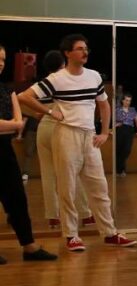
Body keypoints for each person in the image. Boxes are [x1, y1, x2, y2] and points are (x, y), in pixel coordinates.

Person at [19, 34, 137, 252]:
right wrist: (50, 112)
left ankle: (110, 232)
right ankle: (71, 235)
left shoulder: (93, 76)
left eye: (86, 48)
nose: (85, 52)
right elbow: (24, 97)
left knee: (99, 186)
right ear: (67, 53)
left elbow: (104, 105)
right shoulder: (57, 79)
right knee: (67, 186)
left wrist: (104, 132)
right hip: (66, 134)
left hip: (89, 135)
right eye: (80, 48)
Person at [0, 44, 56, 263]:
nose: (1, 63)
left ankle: (29, 246)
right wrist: (13, 124)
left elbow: (18, 123)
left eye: (3, 59)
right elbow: (15, 123)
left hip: (4, 150)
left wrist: (12, 124)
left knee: (17, 199)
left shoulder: (7, 89)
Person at [31, 50, 94, 234]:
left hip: (43, 128)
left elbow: (33, 108)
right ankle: (85, 214)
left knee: (48, 173)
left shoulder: (42, 84)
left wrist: (47, 112)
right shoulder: (63, 80)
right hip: (61, 128)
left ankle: (53, 216)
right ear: (63, 63)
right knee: (72, 172)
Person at [114, 92, 137, 176]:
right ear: (123, 101)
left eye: (129, 101)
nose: (128, 102)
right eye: (126, 100)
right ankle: (120, 170)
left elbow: (136, 120)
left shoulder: (132, 110)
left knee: (127, 150)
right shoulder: (117, 110)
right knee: (119, 150)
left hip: (129, 130)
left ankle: (121, 169)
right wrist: (116, 125)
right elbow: (112, 121)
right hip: (120, 129)